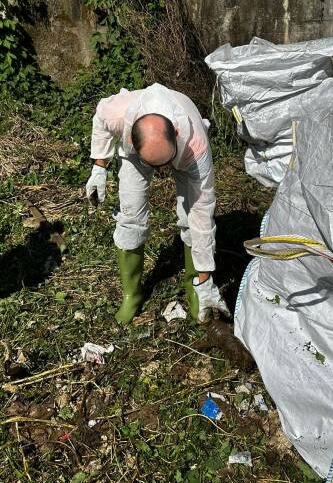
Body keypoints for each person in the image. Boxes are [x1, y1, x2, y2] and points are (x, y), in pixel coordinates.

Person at [86, 83, 230, 325]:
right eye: (156, 166)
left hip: (185, 154)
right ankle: (132, 294)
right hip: (137, 151)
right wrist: (99, 166)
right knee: (130, 214)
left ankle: (196, 287)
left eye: (166, 162)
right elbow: (100, 119)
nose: (163, 171)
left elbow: (201, 213)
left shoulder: (197, 146)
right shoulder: (118, 114)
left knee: (190, 218)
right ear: (130, 136)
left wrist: (206, 277)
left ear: (175, 131)